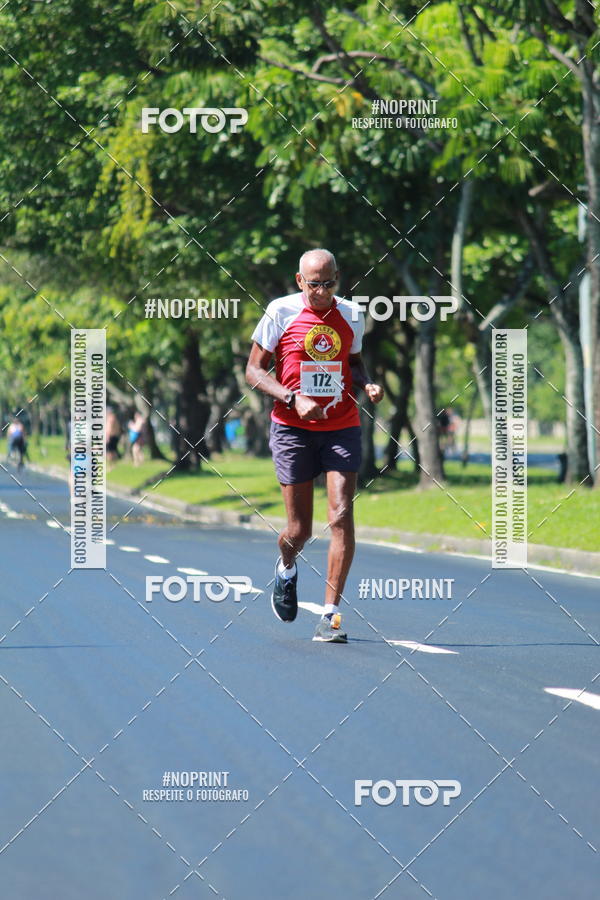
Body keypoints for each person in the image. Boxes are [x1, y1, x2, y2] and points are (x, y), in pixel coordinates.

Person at [245, 248, 384, 643]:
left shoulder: (352, 314)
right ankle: (286, 567)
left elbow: (353, 363)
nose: (322, 292)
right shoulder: (280, 312)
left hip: (341, 424)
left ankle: (330, 616)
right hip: (292, 429)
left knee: (341, 515)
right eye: (314, 284)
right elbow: (253, 371)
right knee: (298, 530)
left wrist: (367, 383)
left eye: (329, 283)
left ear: (338, 278)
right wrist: (292, 398)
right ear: (299, 281)